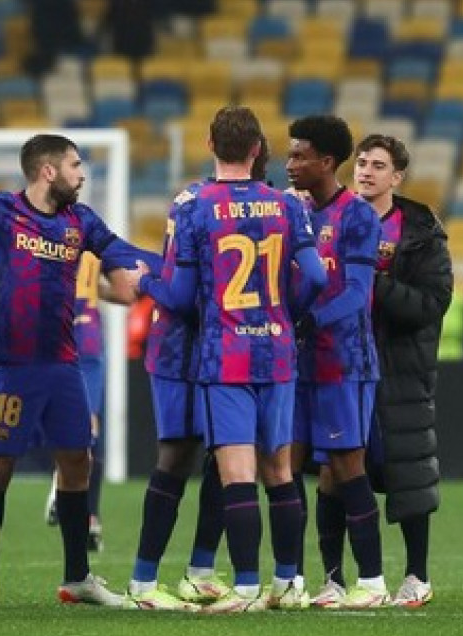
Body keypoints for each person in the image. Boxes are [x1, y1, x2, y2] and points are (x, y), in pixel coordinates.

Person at [0, 133, 154, 609]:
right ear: (48, 171)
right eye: (74, 165)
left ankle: (77, 578)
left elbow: (123, 251)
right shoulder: (0, 211)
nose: (81, 173)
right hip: (14, 366)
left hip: (64, 365)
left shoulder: (81, 221)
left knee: (77, 463)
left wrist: (176, 262)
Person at [129, 106, 326, 613]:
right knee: (280, 469)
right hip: (277, 350)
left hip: (225, 352)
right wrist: (285, 311)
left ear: (211, 144)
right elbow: (318, 278)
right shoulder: (287, 205)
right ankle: (287, 584)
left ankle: (238, 588)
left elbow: (178, 294)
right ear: (259, 149)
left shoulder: (194, 206)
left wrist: (143, 282)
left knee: (232, 472)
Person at [124, 135, 273, 611]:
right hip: (177, 350)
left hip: (223, 350)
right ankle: (143, 581)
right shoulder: (193, 203)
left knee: (223, 458)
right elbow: (178, 285)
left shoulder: (241, 206)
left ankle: (200, 572)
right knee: (176, 456)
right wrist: (145, 282)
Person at [285, 114, 388, 609]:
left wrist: (311, 321)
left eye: (299, 155)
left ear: (326, 162)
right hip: (299, 365)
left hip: (345, 362)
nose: (290, 164)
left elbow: (358, 295)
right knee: (291, 463)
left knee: (345, 466)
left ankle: (371, 582)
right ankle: (321, 581)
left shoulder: (358, 216)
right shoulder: (292, 211)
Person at [350, 134, 449, 606]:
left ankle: (417, 577)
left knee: (407, 472)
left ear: (397, 176)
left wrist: (376, 284)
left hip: (399, 369)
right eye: (362, 162)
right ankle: (344, 579)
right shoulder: (336, 221)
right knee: (341, 472)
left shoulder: (419, 231)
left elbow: (432, 303)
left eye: (378, 165)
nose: (366, 171)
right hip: (343, 364)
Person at [43, 252, 135, 554]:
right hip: (90, 335)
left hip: (57, 332)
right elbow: (125, 294)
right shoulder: (95, 245)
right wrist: (95, 290)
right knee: (89, 423)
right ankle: (91, 515)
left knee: (59, 418)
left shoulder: (44, 238)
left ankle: (62, 483)